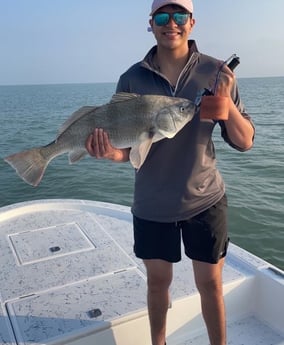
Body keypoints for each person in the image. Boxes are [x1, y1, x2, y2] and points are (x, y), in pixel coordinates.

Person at [86, 0, 255, 344]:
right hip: (152, 203)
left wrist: (227, 111)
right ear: (150, 23)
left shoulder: (217, 72)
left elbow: (245, 141)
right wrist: (108, 152)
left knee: (210, 284)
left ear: (192, 22)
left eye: (179, 16)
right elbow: (130, 153)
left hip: (204, 198)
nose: (171, 23)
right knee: (157, 282)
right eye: (162, 16)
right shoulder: (131, 78)